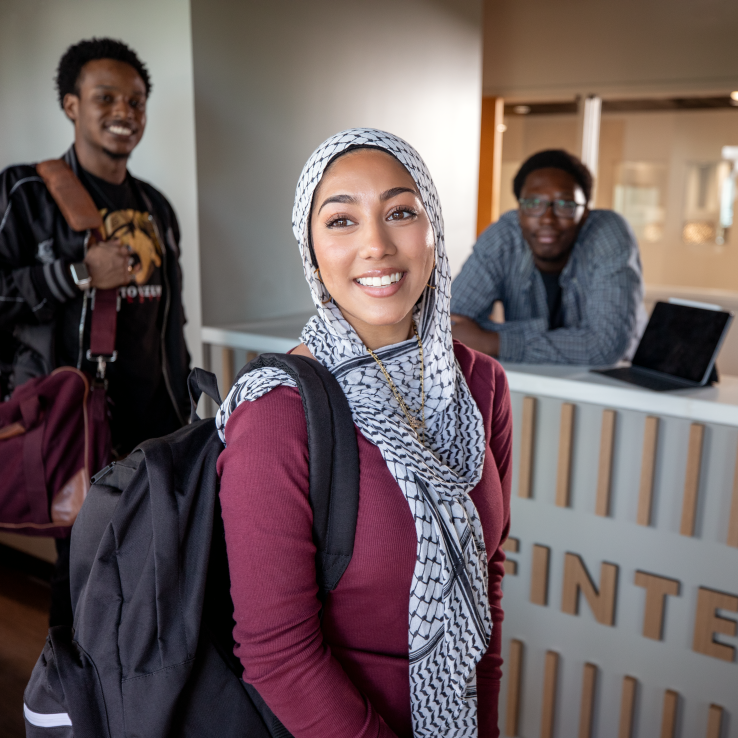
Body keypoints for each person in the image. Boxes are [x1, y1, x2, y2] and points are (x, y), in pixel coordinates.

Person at [217, 129, 512, 738]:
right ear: (312, 249)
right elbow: (278, 655)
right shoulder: (278, 413)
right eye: (342, 221)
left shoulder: (480, 384)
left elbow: (487, 579)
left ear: (433, 231)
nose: (377, 245)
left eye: (401, 212)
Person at [0, 38, 190, 625]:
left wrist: (189, 411)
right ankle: (66, 701)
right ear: (70, 104)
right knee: (83, 570)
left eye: (136, 102)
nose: (125, 112)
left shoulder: (156, 206)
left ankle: (140, 696)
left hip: (158, 424)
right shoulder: (26, 193)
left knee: (162, 563)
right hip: (73, 424)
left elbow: (170, 317)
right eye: (106, 97)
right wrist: (78, 273)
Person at [450, 149, 647, 364]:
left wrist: (492, 341)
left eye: (565, 205)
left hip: (614, 381)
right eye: (533, 203)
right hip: (537, 382)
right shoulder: (504, 237)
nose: (547, 219)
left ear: (584, 214)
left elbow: (606, 346)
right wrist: (577, 341)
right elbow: (450, 324)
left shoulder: (608, 233)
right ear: (519, 210)